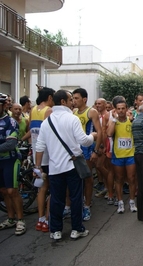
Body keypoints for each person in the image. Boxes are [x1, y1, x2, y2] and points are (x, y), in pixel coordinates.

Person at [35, 90, 96, 241]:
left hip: (55, 167)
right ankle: (77, 229)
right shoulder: (72, 118)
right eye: (70, 99)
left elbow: (40, 147)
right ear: (63, 101)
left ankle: (55, 230)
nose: (73, 102)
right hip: (72, 166)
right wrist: (93, 136)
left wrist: (37, 166)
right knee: (76, 198)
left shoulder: (46, 122)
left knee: (57, 198)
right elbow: (84, 141)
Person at [21, 87, 54, 232]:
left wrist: (21, 140)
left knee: (42, 188)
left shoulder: (33, 110)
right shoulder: (49, 111)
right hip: (49, 156)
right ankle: (47, 219)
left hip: (37, 157)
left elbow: (31, 131)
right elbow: (50, 133)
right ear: (50, 98)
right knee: (54, 190)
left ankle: (40, 219)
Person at [72, 88, 102, 221]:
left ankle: (87, 205)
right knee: (75, 178)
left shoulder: (92, 112)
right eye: (72, 98)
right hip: (74, 149)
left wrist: (95, 150)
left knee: (88, 178)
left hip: (87, 150)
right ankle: (76, 204)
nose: (74, 101)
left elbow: (99, 132)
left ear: (84, 99)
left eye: (76, 98)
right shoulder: (73, 112)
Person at [0, 93, 26, 235]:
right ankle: (10, 219)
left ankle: (20, 219)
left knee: (12, 190)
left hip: (11, 159)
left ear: (4, 106)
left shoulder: (11, 122)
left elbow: (10, 144)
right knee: (3, 190)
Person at [107, 98, 137, 214]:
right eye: (118, 109)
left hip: (130, 154)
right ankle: (120, 202)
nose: (121, 111)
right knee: (118, 179)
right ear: (115, 110)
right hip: (118, 155)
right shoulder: (113, 121)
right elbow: (109, 133)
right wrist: (114, 119)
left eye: (123, 108)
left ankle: (131, 201)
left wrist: (132, 120)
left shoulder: (131, 120)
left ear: (127, 109)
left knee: (131, 178)